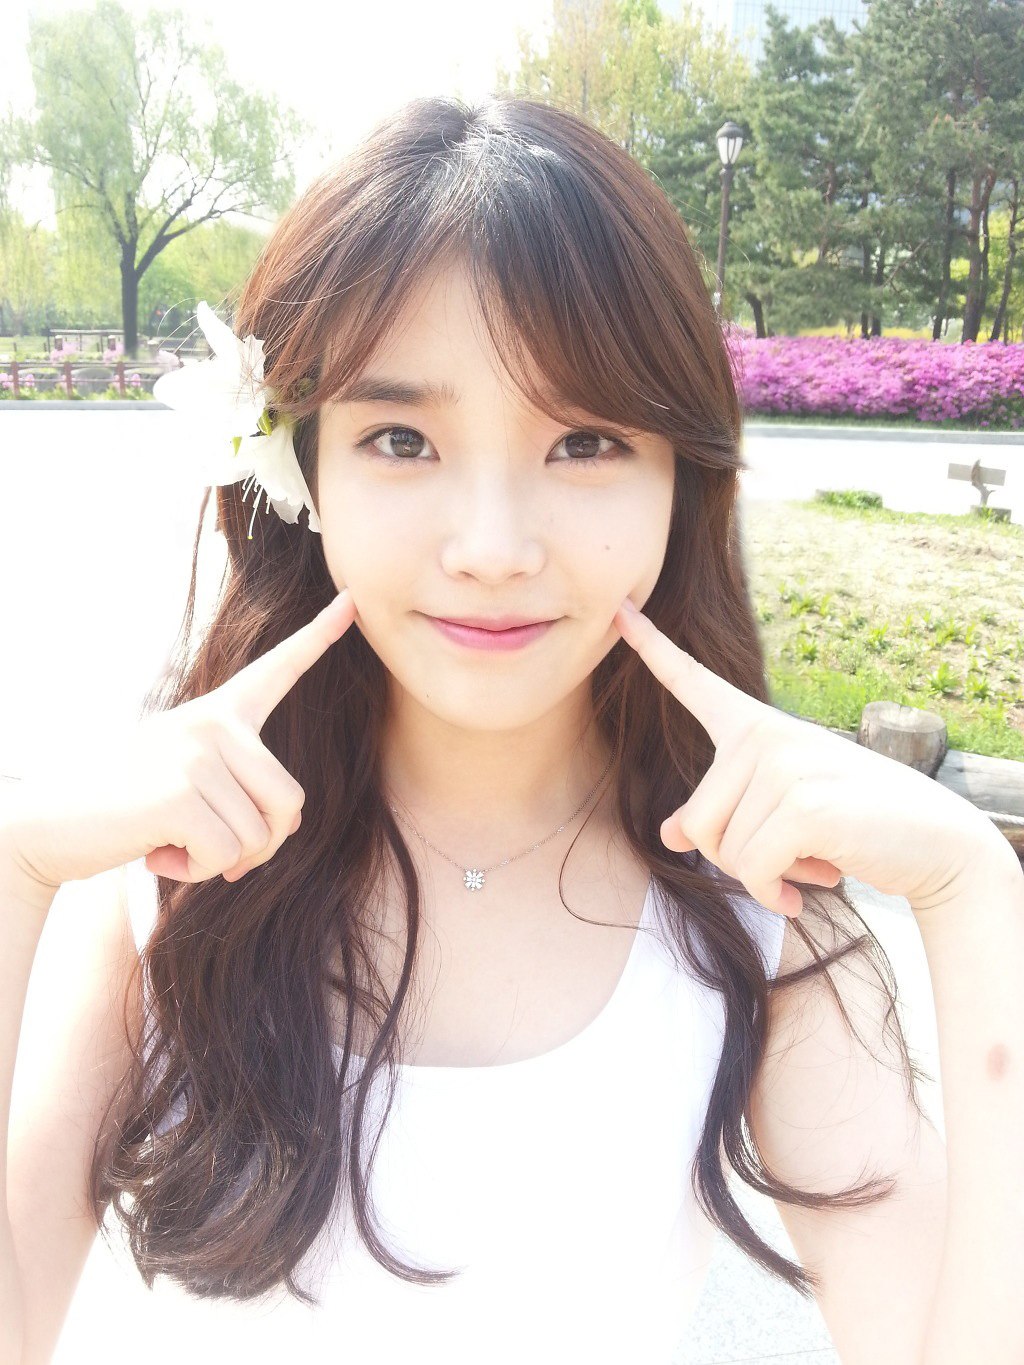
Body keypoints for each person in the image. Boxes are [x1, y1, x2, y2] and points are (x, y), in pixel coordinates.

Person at [2, 94, 1021, 1365]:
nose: (492, 549)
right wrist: (14, 870)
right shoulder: (164, 880)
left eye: (584, 440)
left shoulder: (753, 910)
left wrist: (978, 895)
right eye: (402, 439)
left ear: (679, 484)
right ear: (300, 470)